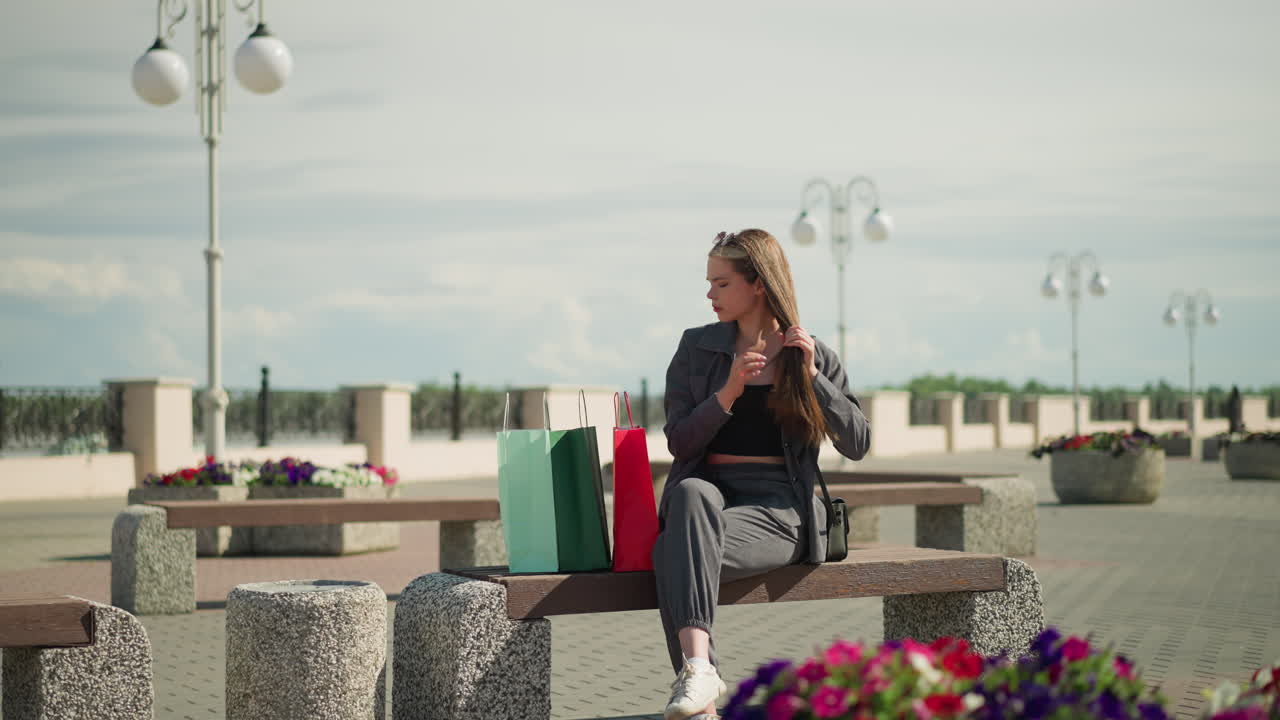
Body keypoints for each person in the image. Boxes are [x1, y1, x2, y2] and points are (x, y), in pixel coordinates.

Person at [653, 228, 871, 720]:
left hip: (781, 511)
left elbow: (857, 443)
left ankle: (699, 688)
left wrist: (814, 378)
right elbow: (680, 442)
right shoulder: (696, 349)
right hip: (710, 503)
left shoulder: (811, 353)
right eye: (709, 282)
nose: (708, 294)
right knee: (689, 494)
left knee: (671, 553)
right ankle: (701, 671)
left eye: (720, 283)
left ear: (757, 284)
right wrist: (727, 393)